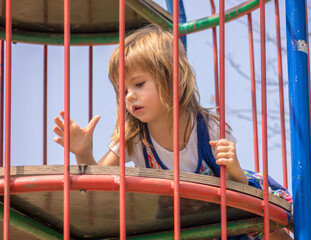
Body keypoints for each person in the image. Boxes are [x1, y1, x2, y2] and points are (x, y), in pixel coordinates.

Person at [53, 24, 292, 240]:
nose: (130, 96)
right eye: (123, 90)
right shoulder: (134, 138)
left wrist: (236, 170)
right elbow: (97, 182)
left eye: (138, 84)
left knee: (263, 222)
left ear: (170, 79)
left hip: (223, 209)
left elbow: (234, 190)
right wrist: (83, 152)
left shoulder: (207, 127)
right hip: (179, 221)